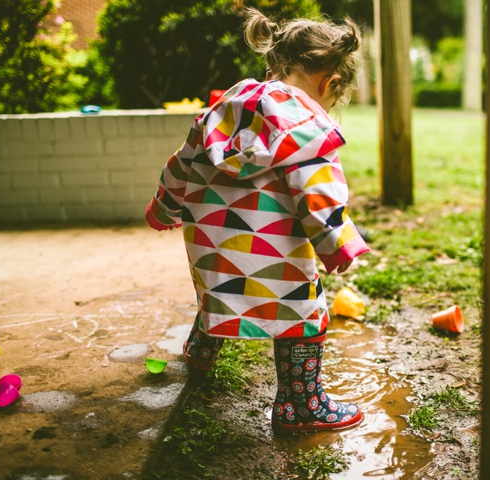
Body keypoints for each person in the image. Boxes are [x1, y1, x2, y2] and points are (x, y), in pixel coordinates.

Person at [144, 8, 370, 432]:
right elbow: (319, 194)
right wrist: (337, 244)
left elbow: (182, 161)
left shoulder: (224, 108)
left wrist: (164, 206)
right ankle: (300, 406)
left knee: (221, 286)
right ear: (330, 82)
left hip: (211, 245)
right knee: (305, 316)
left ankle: (201, 350)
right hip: (273, 250)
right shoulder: (307, 130)